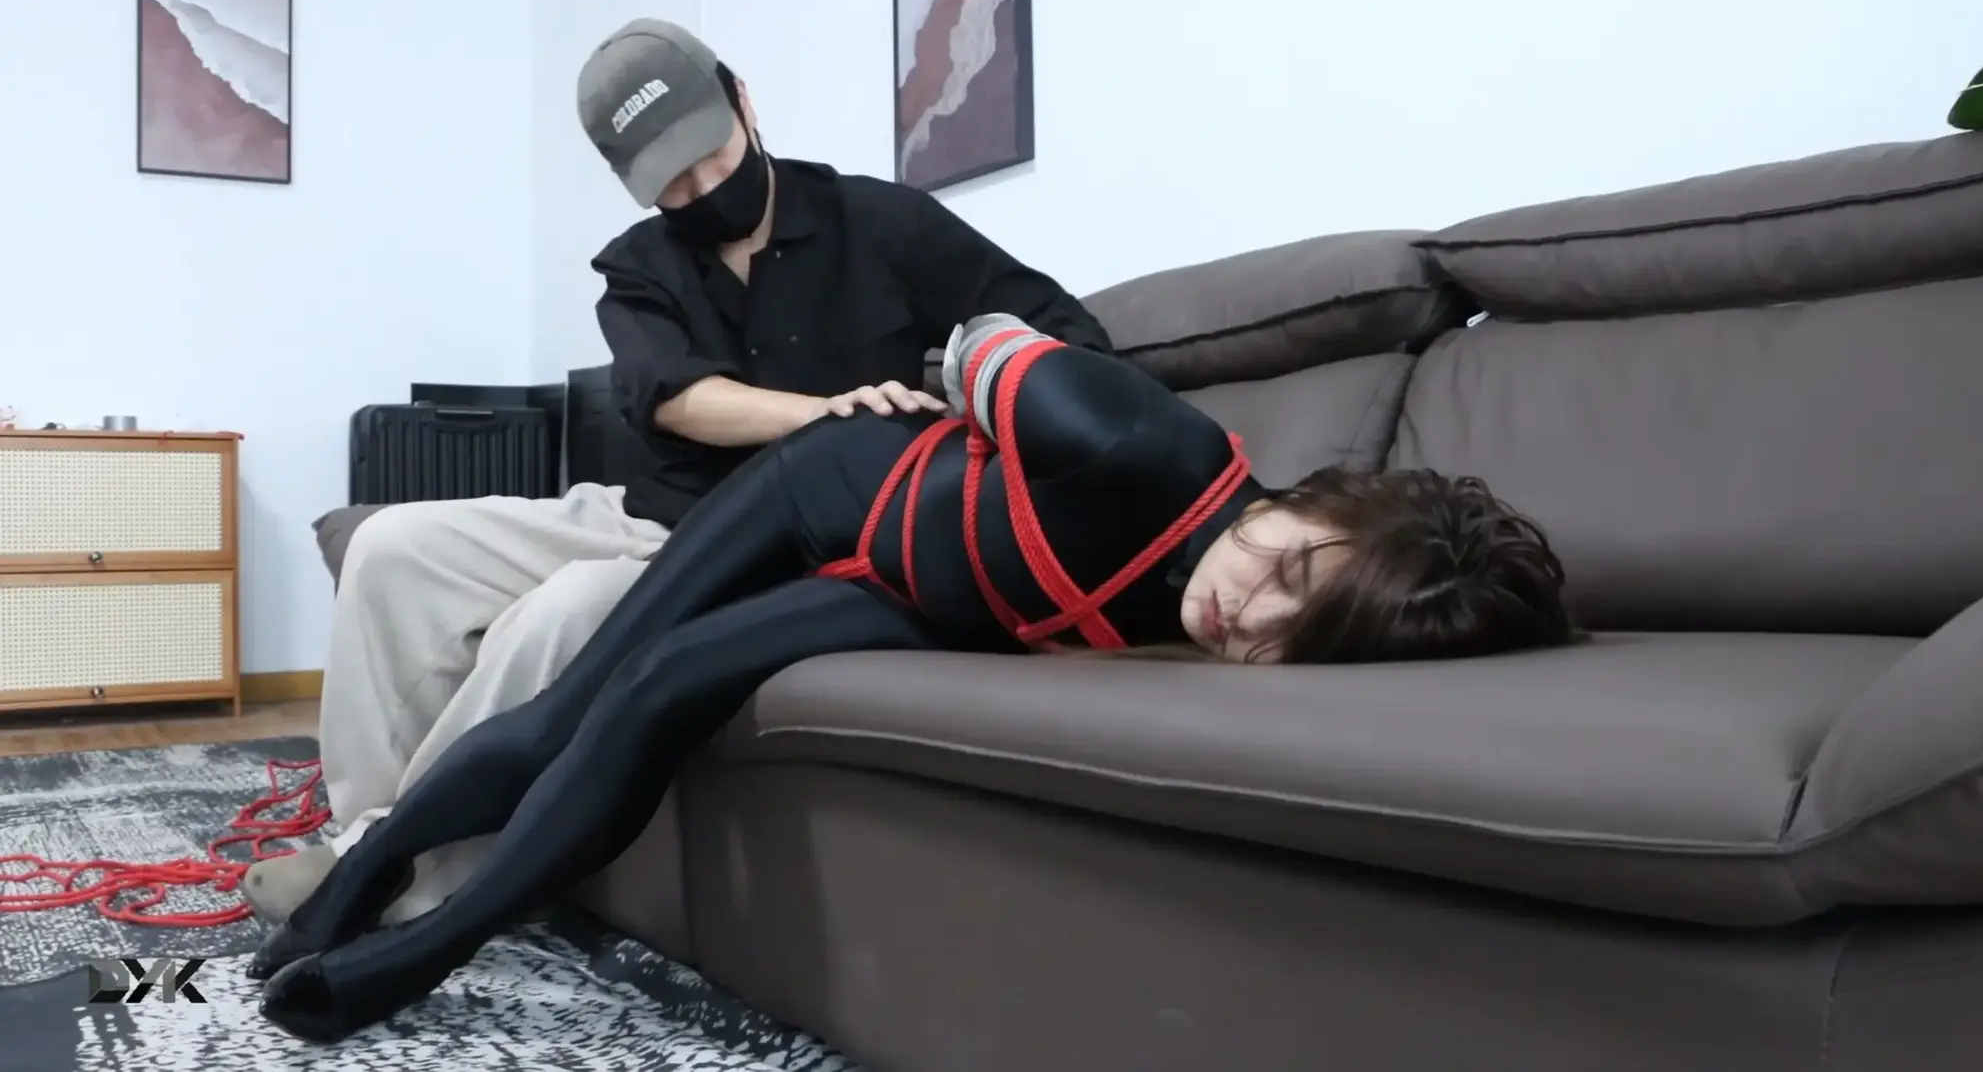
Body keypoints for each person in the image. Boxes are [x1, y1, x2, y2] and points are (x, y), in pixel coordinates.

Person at [247, 312, 1580, 1042]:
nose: (1248, 612)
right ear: (1308, 498)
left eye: (1296, 630)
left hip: (918, 602)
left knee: (665, 699)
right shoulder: (1134, 443)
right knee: (588, 693)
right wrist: (956, 386)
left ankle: (421, 952)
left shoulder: (1232, 606)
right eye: (1284, 564)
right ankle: (371, 881)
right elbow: (979, 338)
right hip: (824, 494)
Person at [251, 18, 1112, 926]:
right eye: (673, 183)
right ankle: (361, 827)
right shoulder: (640, 266)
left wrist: (958, 395)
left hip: (780, 555)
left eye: (713, 158)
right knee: (390, 545)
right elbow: (675, 397)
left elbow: (1069, 337)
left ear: (743, 102)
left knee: (566, 611)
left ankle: (395, 872)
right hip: (649, 516)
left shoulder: (881, 222)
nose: (703, 190)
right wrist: (828, 416)